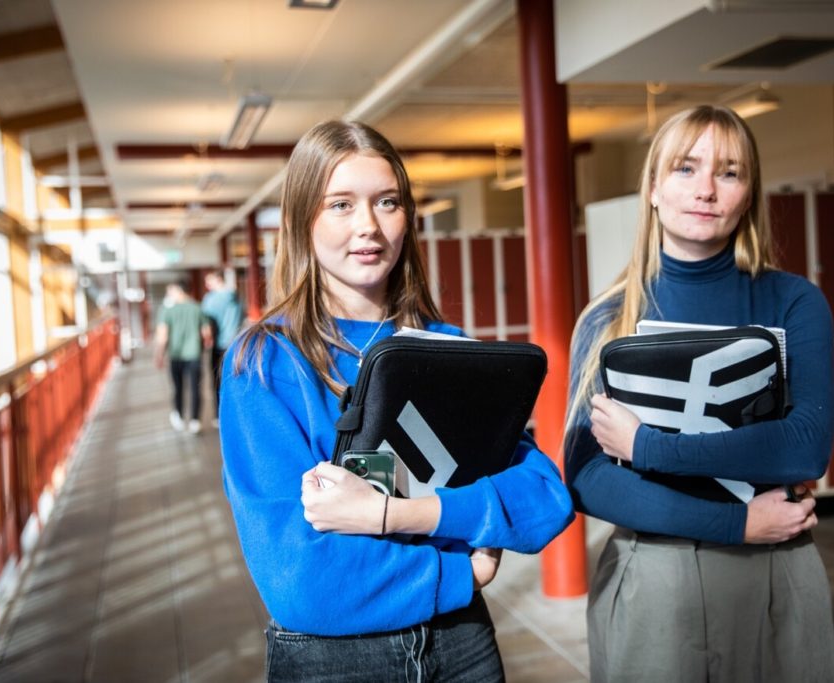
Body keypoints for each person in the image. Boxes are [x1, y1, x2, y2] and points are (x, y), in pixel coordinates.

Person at [219, 120, 574, 682]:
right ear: (300, 220)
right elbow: (303, 582)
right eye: (340, 204)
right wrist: (459, 571)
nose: (368, 226)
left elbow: (544, 498)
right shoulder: (264, 364)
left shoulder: (447, 349)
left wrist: (398, 515)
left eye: (387, 201)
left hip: (463, 645)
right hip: (332, 659)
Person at [564, 105, 834, 682]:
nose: (707, 190)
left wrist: (650, 449)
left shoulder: (792, 302)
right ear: (654, 189)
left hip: (778, 565)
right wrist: (734, 526)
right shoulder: (608, 319)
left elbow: (805, 447)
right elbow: (588, 477)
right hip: (656, 571)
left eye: (730, 172)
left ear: (749, 193)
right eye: (686, 169)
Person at [154, 281, 211, 435]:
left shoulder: (167, 310)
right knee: (195, 388)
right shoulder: (197, 308)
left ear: (179, 290)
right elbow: (207, 333)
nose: (169, 294)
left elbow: (163, 335)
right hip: (194, 355)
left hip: (176, 355)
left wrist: (159, 354)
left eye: (171, 290)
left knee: (178, 388)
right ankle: (195, 421)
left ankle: (178, 416)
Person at [200, 269, 243, 424]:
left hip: (219, 345)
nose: (206, 284)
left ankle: (220, 415)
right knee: (235, 378)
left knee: (217, 380)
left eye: (209, 281)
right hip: (236, 344)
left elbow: (206, 323)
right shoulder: (237, 296)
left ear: (218, 280)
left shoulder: (211, 299)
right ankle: (236, 412)